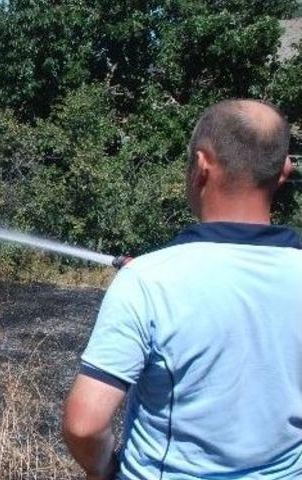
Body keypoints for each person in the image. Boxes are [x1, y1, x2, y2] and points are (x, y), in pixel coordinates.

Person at [62, 99, 302, 479]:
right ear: (284, 171)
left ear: (202, 166)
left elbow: (84, 424)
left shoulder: (148, 283)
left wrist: (106, 471)